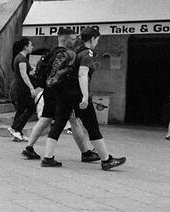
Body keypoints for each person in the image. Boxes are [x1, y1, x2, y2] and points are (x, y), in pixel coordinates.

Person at [40, 27, 126, 171]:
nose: (98, 42)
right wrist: (85, 96)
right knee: (92, 126)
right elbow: (82, 74)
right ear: (92, 39)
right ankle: (106, 160)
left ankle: (48, 158)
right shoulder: (87, 53)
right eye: (97, 39)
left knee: (58, 124)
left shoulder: (77, 51)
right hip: (77, 94)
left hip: (63, 93)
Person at [21, 32, 99, 163]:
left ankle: (29, 147)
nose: (76, 41)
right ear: (65, 39)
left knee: (45, 119)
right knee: (74, 120)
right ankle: (85, 152)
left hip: (48, 91)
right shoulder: (67, 54)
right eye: (73, 39)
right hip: (60, 92)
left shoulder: (52, 53)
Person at [8, 39, 39, 141]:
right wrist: (31, 88)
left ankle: (18, 133)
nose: (32, 47)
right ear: (25, 46)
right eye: (30, 45)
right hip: (21, 88)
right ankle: (15, 128)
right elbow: (23, 74)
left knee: (21, 110)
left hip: (19, 87)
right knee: (31, 109)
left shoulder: (20, 58)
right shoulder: (21, 59)